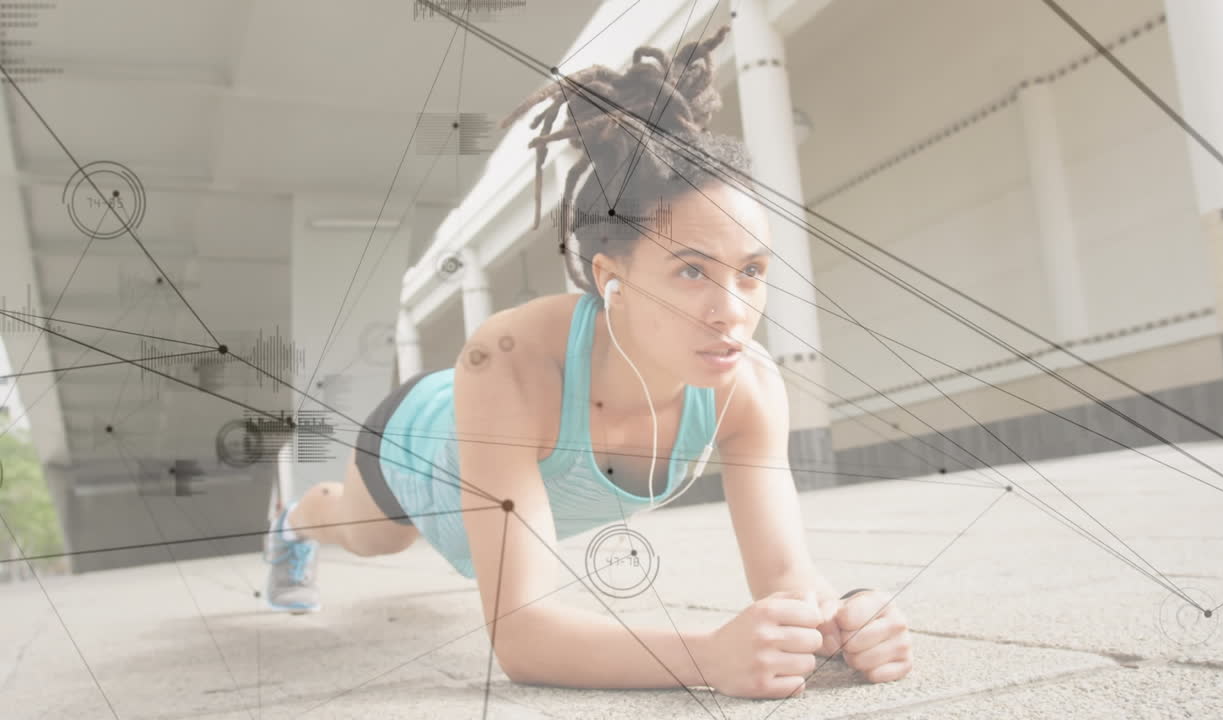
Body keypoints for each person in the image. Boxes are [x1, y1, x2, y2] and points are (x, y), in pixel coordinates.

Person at [262, 25, 912, 699]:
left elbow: (786, 576)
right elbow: (522, 638)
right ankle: (292, 519)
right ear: (610, 277)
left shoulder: (748, 387)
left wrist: (845, 621)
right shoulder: (507, 361)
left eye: (750, 271)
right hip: (415, 448)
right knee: (368, 536)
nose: (732, 311)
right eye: (691, 271)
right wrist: (708, 658)